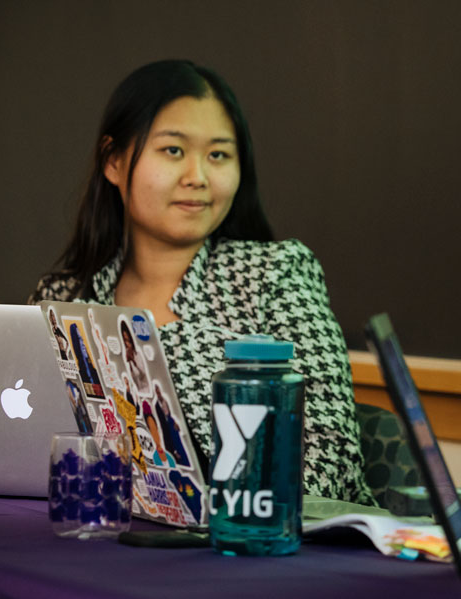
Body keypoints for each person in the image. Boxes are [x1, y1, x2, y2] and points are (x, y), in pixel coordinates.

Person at [28, 59, 376, 506]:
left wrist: (214, 512)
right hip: (98, 540)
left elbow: (331, 461)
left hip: (263, 553)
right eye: (173, 150)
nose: (198, 177)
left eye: (218, 155)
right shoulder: (61, 299)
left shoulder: (274, 275)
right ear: (113, 160)